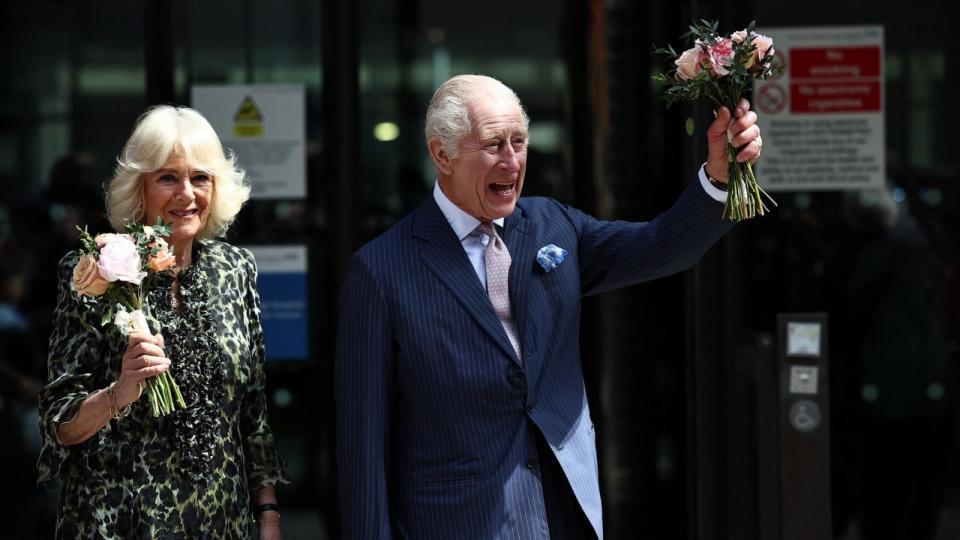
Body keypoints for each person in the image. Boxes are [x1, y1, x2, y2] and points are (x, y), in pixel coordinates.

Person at [335, 74, 763, 538]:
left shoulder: (552, 226)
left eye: (519, 141)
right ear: (442, 155)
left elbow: (664, 246)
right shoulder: (381, 270)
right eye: (494, 144)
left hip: (565, 508)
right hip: (457, 521)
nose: (512, 160)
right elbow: (363, 445)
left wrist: (722, 176)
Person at [37, 106, 288, 539]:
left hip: (220, 521)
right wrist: (120, 391)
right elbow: (59, 422)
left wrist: (267, 514)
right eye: (168, 178)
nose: (186, 194)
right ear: (140, 188)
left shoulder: (236, 269)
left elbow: (253, 410)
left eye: (200, 177)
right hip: (121, 522)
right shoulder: (94, 272)